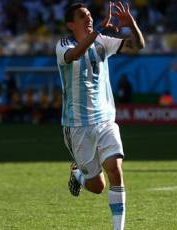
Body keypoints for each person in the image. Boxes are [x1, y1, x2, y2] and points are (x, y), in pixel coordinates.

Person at [55, 2, 145, 230]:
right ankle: (79, 175)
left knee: (115, 169)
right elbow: (75, 54)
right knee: (97, 187)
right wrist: (99, 30)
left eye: (89, 15)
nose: (89, 18)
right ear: (70, 24)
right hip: (77, 125)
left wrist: (131, 24)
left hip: (105, 120)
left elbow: (138, 46)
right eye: (82, 16)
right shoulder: (63, 45)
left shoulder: (102, 42)